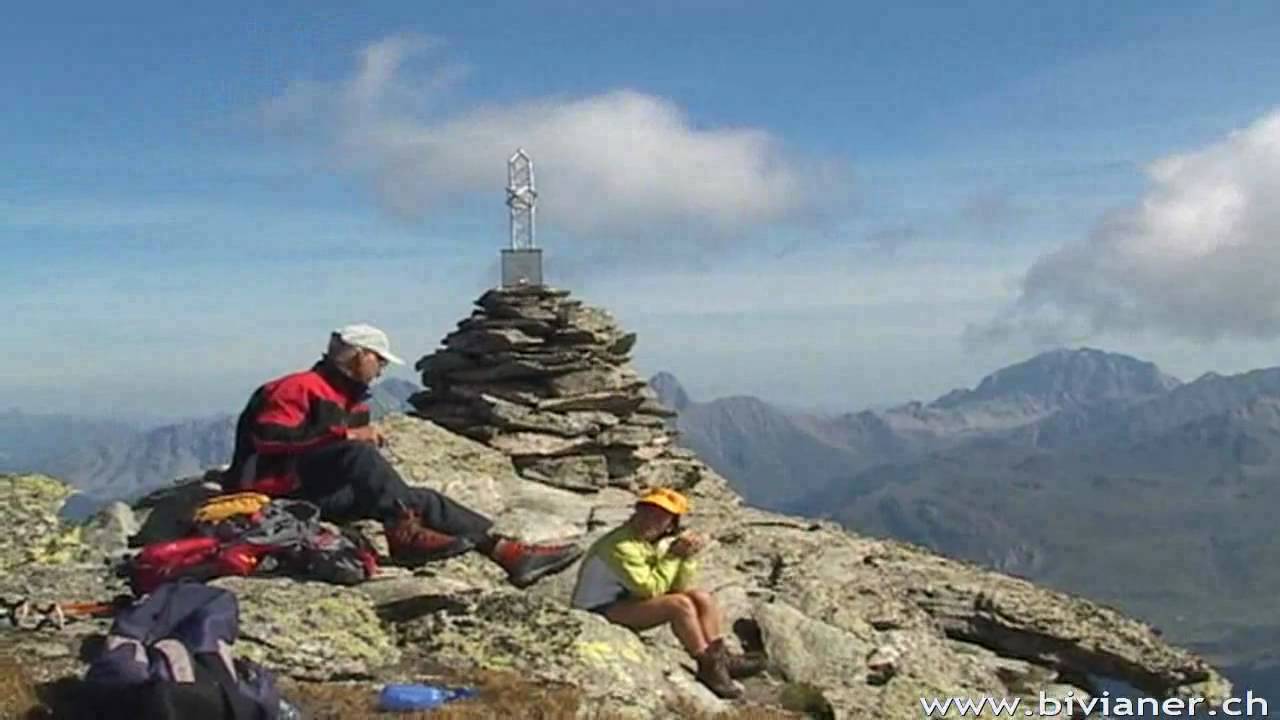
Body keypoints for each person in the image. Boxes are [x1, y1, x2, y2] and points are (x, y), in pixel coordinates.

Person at [222, 323, 582, 588]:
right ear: (360, 356)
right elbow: (268, 437)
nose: (381, 370)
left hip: (313, 492)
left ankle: (508, 552)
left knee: (420, 498)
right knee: (356, 455)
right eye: (379, 361)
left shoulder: (347, 397)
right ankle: (403, 535)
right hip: (274, 495)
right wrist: (346, 434)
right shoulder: (298, 388)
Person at [570, 488, 764, 699]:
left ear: (670, 524)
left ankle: (721, 657)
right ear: (636, 512)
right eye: (647, 512)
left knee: (701, 597)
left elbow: (679, 586)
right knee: (679, 606)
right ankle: (707, 664)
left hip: (624, 601)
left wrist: (686, 558)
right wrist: (673, 557)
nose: (650, 520)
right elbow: (650, 589)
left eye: (660, 517)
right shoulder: (619, 546)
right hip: (597, 611)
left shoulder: (647, 542)